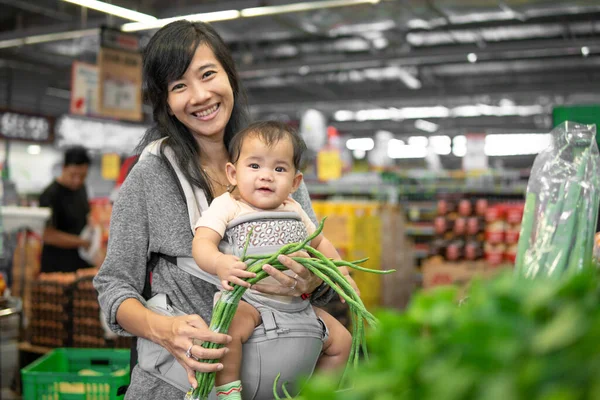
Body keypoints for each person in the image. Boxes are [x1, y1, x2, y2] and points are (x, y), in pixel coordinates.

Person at [93, 20, 336, 400]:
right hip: (178, 385)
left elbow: (320, 261)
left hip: (281, 383)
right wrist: (164, 330)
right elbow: (113, 285)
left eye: (208, 74)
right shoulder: (151, 174)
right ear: (166, 104)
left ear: (230, 76)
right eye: (179, 86)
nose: (200, 95)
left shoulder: (271, 162)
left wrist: (312, 282)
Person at [193, 121, 357, 399]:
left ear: (295, 182)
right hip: (250, 299)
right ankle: (228, 389)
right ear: (232, 173)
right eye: (254, 166)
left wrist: (343, 275)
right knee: (228, 332)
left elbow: (320, 242)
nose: (266, 176)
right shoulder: (228, 205)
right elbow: (202, 242)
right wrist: (219, 262)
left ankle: (317, 391)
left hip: (298, 303)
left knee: (342, 340)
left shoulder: (294, 208)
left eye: (279, 169)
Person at [39, 145, 93, 273]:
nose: (77, 180)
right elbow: (48, 235)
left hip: (79, 263)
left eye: (83, 176)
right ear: (64, 168)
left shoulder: (82, 189)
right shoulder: (50, 194)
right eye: (73, 175)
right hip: (56, 266)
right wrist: (82, 242)